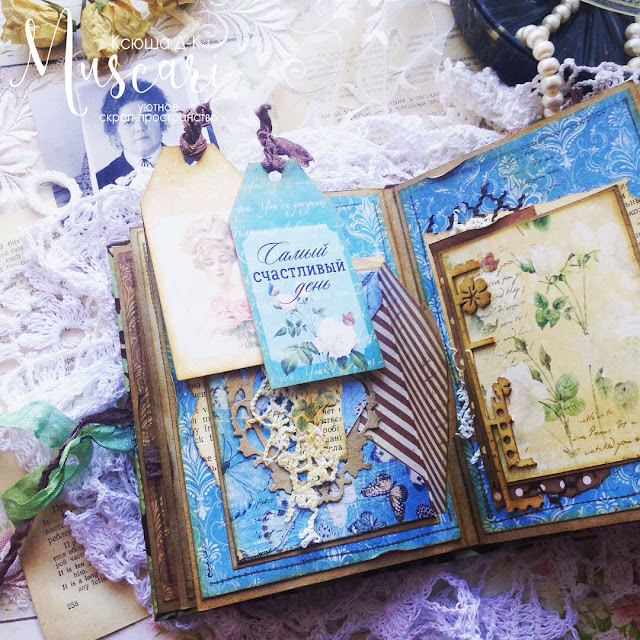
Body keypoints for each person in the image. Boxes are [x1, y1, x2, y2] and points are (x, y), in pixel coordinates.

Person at [184, 213, 258, 349]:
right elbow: (195, 345)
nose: (218, 267)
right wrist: (215, 326)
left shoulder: (246, 290)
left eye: (223, 260)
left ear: (231, 259)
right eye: (209, 263)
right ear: (202, 266)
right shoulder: (199, 301)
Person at [96, 80, 169, 189]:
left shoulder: (188, 161)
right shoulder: (101, 181)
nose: (140, 127)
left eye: (147, 117)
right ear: (115, 133)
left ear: (161, 122)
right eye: (128, 122)